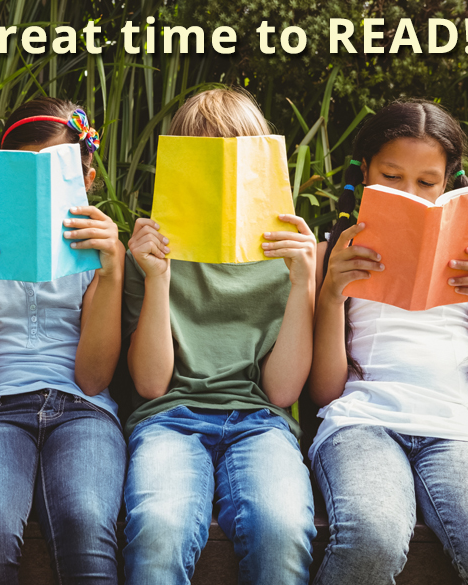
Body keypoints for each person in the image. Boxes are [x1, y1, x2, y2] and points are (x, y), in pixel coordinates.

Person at [309, 99, 468, 585]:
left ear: (450, 180)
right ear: (366, 168)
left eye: (427, 183)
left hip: (458, 431)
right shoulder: (334, 253)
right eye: (391, 178)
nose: (409, 194)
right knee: (369, 538)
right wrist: (331, 296)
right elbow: (325, 393)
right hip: (363, 423)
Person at [121, 88, 318, 585]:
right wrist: (158, 277)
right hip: (169, 420)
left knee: (283, 528)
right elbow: (149, 383)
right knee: (158, 529)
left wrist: (302, 283)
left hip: (259, 422)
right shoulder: (151, 253)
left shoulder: (283, 255)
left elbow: (282, 392)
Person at [0, 97, 126, 584]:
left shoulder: (101, 250)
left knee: (86, 522)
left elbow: (92, 378)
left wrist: (111, 274)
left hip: (84, 409)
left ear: (85, 179)